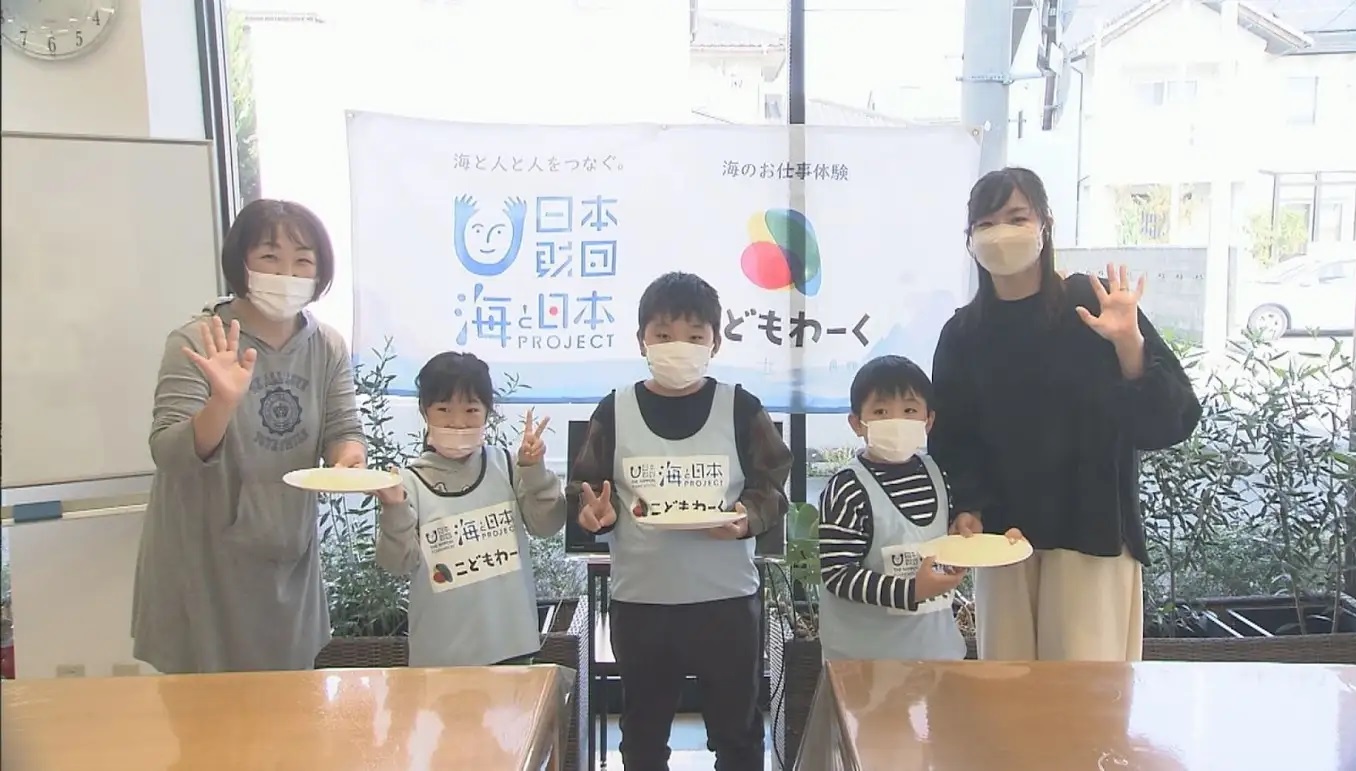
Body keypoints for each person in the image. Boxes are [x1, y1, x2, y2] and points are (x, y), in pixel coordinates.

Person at [929, 167, 1201, 662]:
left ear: (1045, 225)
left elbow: (1171, 420)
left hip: (1090, 536)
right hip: (1003, 544)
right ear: (970, 240)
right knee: (1007, 692)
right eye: (986, 224)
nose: (1002, 233)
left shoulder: (1094, 305)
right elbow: (952, 439)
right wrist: (967, 507)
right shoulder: (963, 334)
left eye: (1017, 218)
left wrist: (1129, 344)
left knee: (1087, 694)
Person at [131, 199, 366, 673]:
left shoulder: (327, 345)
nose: (287, 274)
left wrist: (349, 460)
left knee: (289, 709)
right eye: (269, 257)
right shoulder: (198, 341)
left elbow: (344, 430)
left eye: (303, 261)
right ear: (241, 262)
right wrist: (221, 403)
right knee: (203, 711)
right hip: (202, 565)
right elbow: (169, 453)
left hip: (286, 561)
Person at [571, 272, 791, 771]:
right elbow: (585, 490)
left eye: (694, 336)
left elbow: (773, 483)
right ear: (641, 340)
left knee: (737, 736)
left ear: (715, 341)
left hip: (726, 602)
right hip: (642, 603)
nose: (679, 347)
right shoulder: (615, 409)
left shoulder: (741, 407)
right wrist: (594, 514)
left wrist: (748, 516)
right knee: (643, 738)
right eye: (664, 334)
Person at [374, 352, 565, 667]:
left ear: (488, 413)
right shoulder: (407, 483)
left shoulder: (508, 465)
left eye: (471, 409)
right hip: (440, 660)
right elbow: (396, 563)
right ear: (424, 411)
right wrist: (394, 509)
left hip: (512, 650)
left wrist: (535, 471)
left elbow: (547, 525)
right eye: (443, 409)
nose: (458, 422)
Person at [818, 355, 983, 661]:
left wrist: (963, 533)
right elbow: (837, 573)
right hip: (865, 661)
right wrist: (912, 591)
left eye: (909, 411)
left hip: (937, 651)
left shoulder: (938, 473)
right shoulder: (847, 488)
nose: (897, 422)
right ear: (857, 423)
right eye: (881, 412)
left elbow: (941, 540)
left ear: (928, 420)